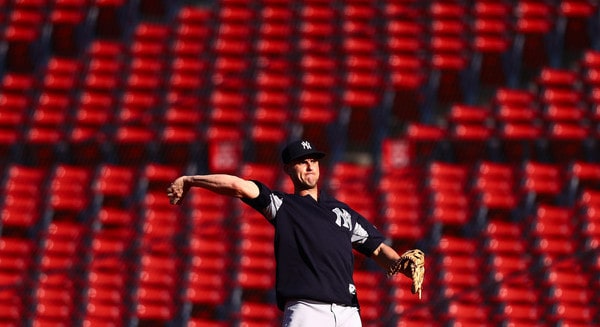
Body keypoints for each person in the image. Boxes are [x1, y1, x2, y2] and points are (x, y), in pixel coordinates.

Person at [167, 140, 422, 327]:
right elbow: (238, 186)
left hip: (348, 313)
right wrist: (191, 180)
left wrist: (401, 264)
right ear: (288, 169)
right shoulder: (282, 206)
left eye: (313, 160)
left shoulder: (342, 212)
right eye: (302, 161)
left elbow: (376, 249)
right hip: (307, 312)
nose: (310, 166)